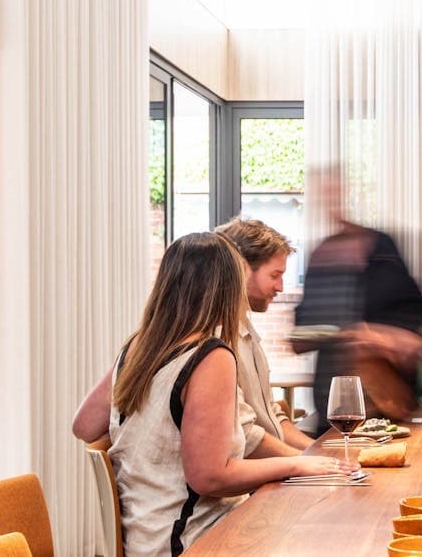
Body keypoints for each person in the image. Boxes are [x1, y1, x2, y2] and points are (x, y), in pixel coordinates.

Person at [71, 233, 357, 556]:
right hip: (193, 541)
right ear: (226, 291)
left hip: (146, 539)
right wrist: (295, 466)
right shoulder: (209, 356)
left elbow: (83, 426)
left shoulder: (137, 349)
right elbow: (209, 477)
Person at [292, 164, 422, 435]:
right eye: (323, 195)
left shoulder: (381, 246)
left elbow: (414, 320)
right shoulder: (321, 254)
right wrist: (347, 334)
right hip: (334, 404)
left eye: (335, 193)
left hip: (385, 403)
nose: (331, 202)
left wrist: (385, 338)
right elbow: (299, 337)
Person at [215, 217, 315, 451]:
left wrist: (316, 451)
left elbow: (272, 415)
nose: (280, 287)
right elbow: (245, 437)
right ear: (241, 269)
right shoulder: (217, 340)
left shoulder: (246, 331)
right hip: (251, 483)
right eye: (274, 275)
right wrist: (309, 462)